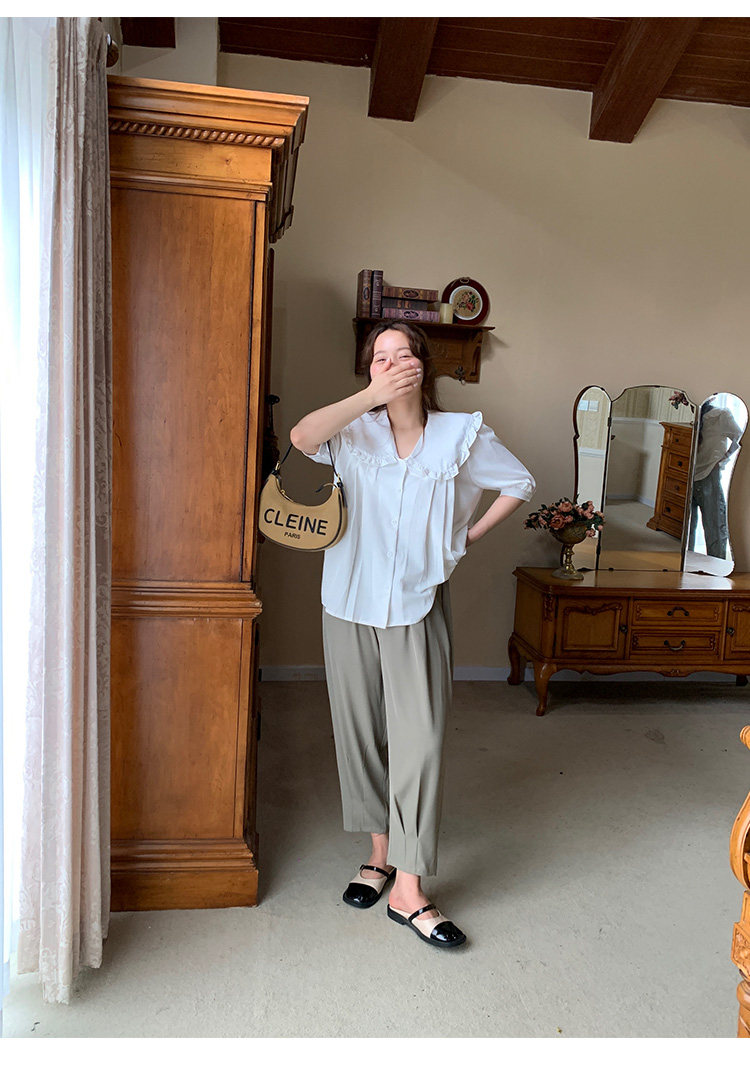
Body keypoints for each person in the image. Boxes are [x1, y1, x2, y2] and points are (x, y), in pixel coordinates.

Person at [289, 320, 535, 949]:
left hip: (416, 604)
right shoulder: (352, 429)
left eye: (403, 353)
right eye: (379, 356)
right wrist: (370, 398)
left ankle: (410, 886)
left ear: (424, 365)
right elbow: (301, 438)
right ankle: (379, 855)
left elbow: (519, 482)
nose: (392, 362)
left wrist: (465, 539)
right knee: (359, 733)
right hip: (346, 601)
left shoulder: (461, 435)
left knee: (419, 743)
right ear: (368, 369)